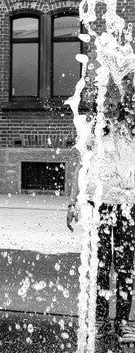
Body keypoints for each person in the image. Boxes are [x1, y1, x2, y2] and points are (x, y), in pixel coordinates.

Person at [68, 121, 135, 343]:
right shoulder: (94, 127)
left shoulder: (130, 128)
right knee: (101, 264)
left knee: (126, 265)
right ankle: (102, 318)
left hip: (127, 205)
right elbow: (81, 167)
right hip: (97, 204)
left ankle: (123, 322)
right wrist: (72, 203)